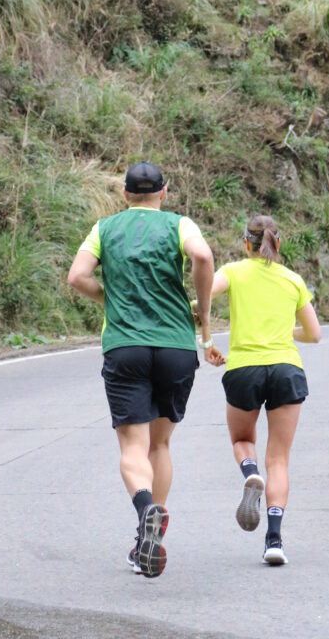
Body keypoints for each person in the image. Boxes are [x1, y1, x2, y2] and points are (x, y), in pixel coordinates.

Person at [68, 161, 224, 578]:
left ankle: (145, 514)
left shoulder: (104, 229)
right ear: (164, 192)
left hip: (125, 347)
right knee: (160, 446)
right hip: (175, 347)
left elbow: (77, 277)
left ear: (124, 194)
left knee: (132, 448)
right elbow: (203, 256)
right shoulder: (178, 223)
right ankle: (148, 539)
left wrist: (110, 298)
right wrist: (204, 313)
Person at [208, 213, 321, 565]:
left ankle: (249, 473)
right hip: (287, 369)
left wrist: (204, 333)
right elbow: (314, 334)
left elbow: (202, 296)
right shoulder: (293, 280)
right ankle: (274, 541)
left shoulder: (233, 271)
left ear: (246, 243)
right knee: (280, 459)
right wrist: (287, 333)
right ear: (278, 243)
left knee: (243, 441)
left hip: (244, 369)